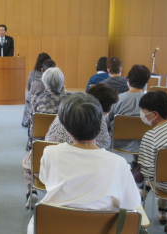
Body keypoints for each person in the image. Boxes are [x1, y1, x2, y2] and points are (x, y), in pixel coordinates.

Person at [27, 93, 140, 234]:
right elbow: (132, 204)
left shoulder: (50, 153)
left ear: (66, 129)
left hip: (50, 226)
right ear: (100, 124)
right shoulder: (118, 163)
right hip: (99, 229)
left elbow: (46, 181)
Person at [23, 84, 118, 209]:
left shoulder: (67, 111)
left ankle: (31, 192)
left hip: (49, 169)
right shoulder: (98, 120)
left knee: (28, 159)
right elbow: (105, 143)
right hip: (84, 173)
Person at [138, 91, 167, 225]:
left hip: (166, 187)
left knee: (150, 174)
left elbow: (148, 174)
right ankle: (163, 211)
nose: (143, 116)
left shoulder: (151, 136)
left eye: (144, 113)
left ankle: (143, 196)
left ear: (155, 114)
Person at [106, 65, 150, 166]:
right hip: (144, 144)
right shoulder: (152, 101)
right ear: (145, 82)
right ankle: (136, 164)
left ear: (128, 80)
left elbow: (106, 122)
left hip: (117, 143)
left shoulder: (117, 100)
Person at [27, 67, 69, 149]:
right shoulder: (70, 100)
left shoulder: (36, 99)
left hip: (42, 142)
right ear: (62, 83)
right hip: (66, 142)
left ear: (45, 85)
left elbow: (32, 121)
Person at [22, 57, 54, 127]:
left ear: (43, 70)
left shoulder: (35, 82)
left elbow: (29, 90)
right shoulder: (62, 93)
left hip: (38, 125)